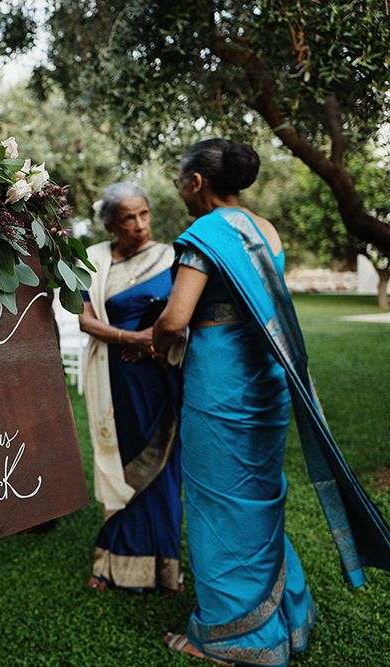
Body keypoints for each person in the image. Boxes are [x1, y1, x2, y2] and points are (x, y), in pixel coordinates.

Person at [153, 138, 390, 665]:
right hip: (267, 380)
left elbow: (175, 319)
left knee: (219, 506)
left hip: (220, 388)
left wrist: (155, 344)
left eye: (178, 181)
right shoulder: (267, 231)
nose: (179, 190)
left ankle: (232, 637)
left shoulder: (202, 235)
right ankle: (287, 617)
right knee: (261, 497)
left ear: (196, 182)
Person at [76, 182, 183, 594]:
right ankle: (110, 560)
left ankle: (164, 568)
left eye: (144, 214)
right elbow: (85, 320)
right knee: (117, 468)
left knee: (160, 469)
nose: (140, 226)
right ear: (110, 225)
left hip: (159, 379)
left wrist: (156, 344)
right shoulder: (94, 260)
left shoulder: (170, 259)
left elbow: (181, 317)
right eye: (128, 219)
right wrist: (132, 339)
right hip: (115, 378)